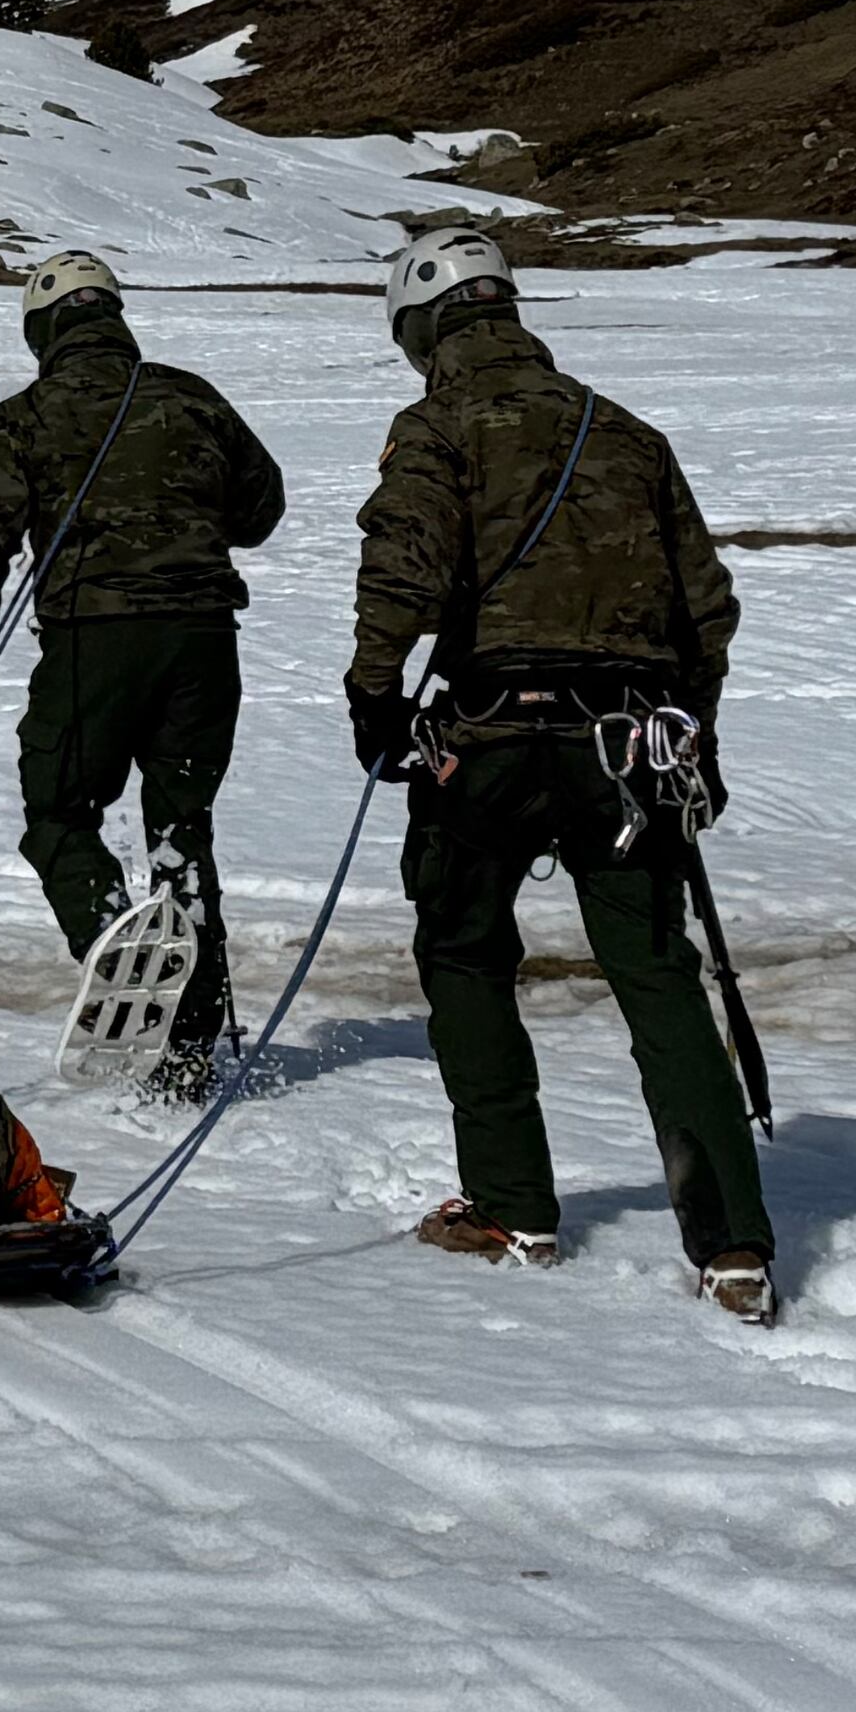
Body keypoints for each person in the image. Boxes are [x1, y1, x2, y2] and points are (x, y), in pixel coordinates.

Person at [341, 224, 777, 1322]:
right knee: (657, 978)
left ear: (420, 328)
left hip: (486, 740)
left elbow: (404, 566)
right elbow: (705, 613)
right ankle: (731, 1247)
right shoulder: (627, 435)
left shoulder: (434, 425)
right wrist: (697, 737)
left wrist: (373, 696)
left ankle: (509, 1208)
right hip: (624, 749)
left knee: (462, 952)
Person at [0, 251, 285, 1093]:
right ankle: (189, 1043)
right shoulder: (192, 396)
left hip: (95, 639)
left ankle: (111, 939)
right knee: (181, 835)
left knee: (58, 810)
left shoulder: (30, 411)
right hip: (204, 639)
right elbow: (260, 507)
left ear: (43, 331)